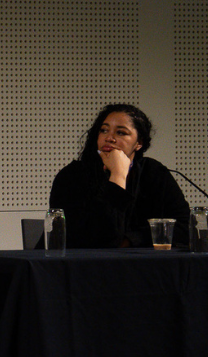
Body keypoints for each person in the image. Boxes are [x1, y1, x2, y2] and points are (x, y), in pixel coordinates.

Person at [48, 103, 190, 248]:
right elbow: (100, 239)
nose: (109, 138)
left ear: (139, 143)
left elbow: (186, 226)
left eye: (121, 133)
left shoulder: (154, 173)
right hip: (78, 265)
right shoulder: (72, 176)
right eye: (103, 130)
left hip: (142, 266)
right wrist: (117, 176)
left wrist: (132, 239)